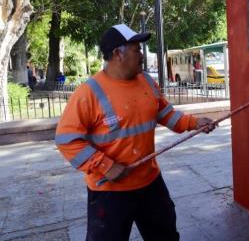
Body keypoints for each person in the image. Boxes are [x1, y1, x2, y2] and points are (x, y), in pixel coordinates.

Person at [55, 24, 216, 241]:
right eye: (136, 49)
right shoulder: (89, 93)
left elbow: (166, 113)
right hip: (109, 192)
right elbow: (66, 140)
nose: (142, 55)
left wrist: (195, 123)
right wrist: (105, 165)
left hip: (150, 182)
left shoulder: (147, 82)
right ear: (117, 54)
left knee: (165, 236)